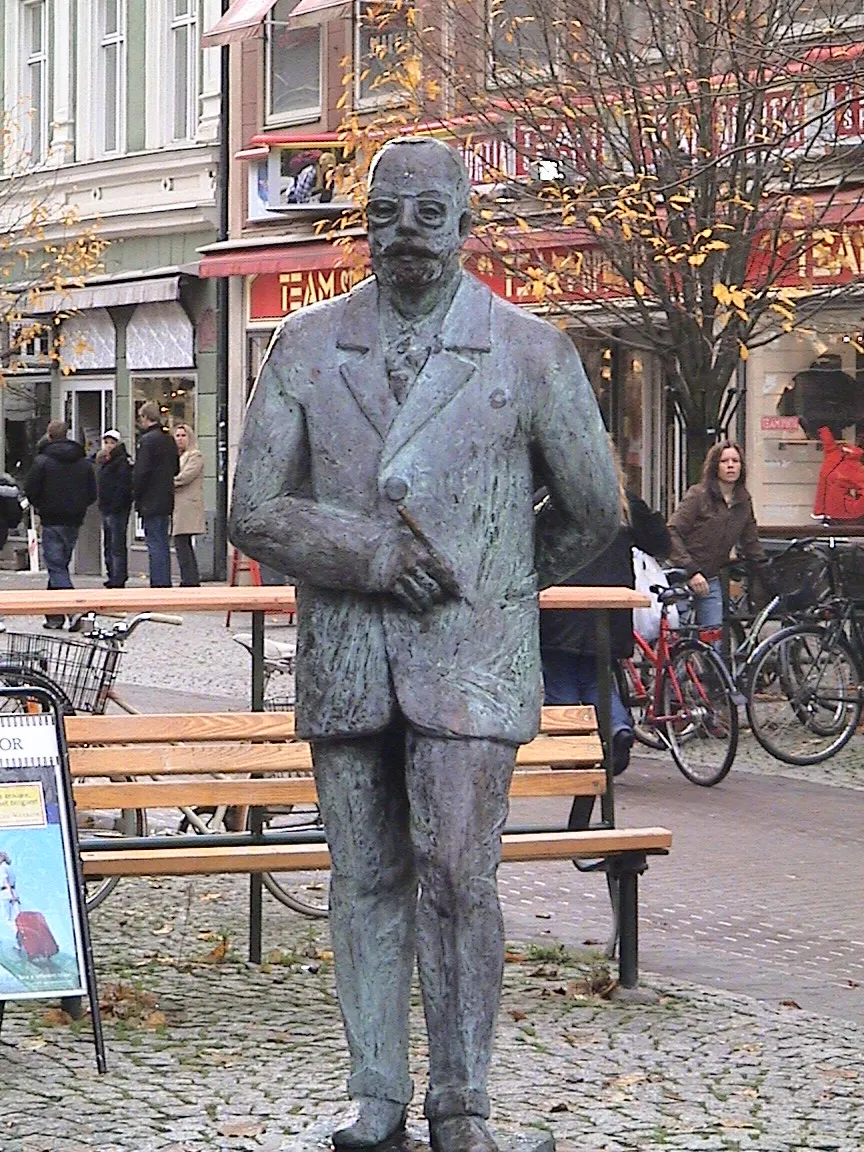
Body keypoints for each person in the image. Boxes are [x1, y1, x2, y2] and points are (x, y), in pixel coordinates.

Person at [230, 137, 618, 1152]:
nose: (403, 234)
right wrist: (366, 556)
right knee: (361, 874)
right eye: (384, 214)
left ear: (464, 222)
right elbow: (253, 506)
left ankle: (464, 1104)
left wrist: (497, 568)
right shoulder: (306, 346)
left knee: (459, 876)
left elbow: (593, 508)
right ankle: (375, 1093)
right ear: (362, 225)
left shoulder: (531, 350)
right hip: (351, 653)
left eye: (426, 214)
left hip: (470, 655)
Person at [540, 446, 671, 777]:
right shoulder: (622, 501)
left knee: (562, 679)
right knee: (596, 676)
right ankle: (615, 726)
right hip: (609, 612)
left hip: (559, 610)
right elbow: (660, 542)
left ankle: (573, 752)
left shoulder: (549, 500)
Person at [668, 441, 765, 629]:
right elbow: (672, 531)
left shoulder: (743, 501)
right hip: (683, 576)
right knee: (677, 634)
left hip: (711, 578)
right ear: (715, 466)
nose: (730, 465)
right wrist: (691, 570)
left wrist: (767, 572)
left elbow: (751, 542)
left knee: (713, 637)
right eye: (724, 461)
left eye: (735, 461)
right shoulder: (698, 495)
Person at [24, 419, 97, 629]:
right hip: (74, 519)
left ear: (49, 435)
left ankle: (73, 611)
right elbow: (92, 493)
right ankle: (54, 616)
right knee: (59, 566)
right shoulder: (83, 462)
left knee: (56, 567)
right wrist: (79, 506)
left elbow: (31, 490)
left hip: (51, 519)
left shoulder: (42, 461)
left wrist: (40, 505)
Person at [133, 402, 179, 588]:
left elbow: (141, 472)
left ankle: (159, 582)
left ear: (145, 417)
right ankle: (164, 580)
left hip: (150, 498)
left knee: (154, 543)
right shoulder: (168, 440)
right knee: (163, 542)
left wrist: (136, 492)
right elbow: (176, 468)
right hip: (166, 496)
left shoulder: (147, 441)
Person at [95, 430, 133, 589]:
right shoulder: (105, 461)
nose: (109, 446)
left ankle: (119, 576)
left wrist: (115, 504)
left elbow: (123, 487)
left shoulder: (122, 461)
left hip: (117, 508)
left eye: (112, 442)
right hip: (106, 507)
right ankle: (112, 574)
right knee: (109, 543)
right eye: (106, 442)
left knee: (117, 544)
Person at [172, 423, 205, 587]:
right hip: (179, 505)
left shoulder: (195, 456)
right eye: (177, 436)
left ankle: (190, 579)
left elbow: (185, 477)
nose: (179, 439)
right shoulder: (179, 456)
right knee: (181, 543)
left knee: (182, 541)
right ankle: (188, 577)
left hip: (187, 505)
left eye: (183, 435)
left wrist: (167, 482)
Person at [0, 851, 19, 932]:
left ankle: (16, 935)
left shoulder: (2, 868)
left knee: (7, 918)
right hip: (13, 891)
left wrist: (11, 895)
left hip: (6, 893)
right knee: (17, 914)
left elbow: (6, 881)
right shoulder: (10, 867)